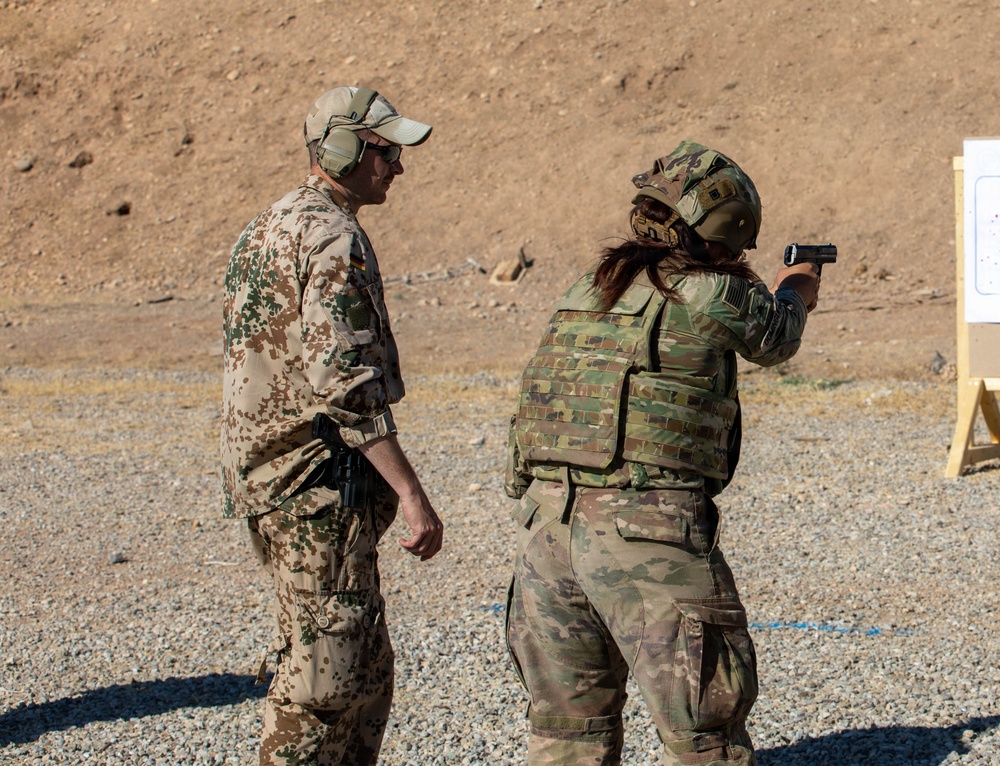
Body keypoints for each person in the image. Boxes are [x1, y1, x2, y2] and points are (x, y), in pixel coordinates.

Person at [504, 140, 820, 766]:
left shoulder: (590, 286)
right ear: (725, 224)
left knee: (568, 735)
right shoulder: (707, 292)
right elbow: (777, 340)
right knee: (704, 735)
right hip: (647, 536)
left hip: (547, 533)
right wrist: (796, 291)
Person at [221, 85, 444, 766]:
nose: (397, 166)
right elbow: (346, 386)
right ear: (342, 149)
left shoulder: (269, 223)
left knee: (365, 675)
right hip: (316, 490)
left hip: (282, 484)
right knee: (324, 689)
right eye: (384, 151)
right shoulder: (331, 237)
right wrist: (410, 493)